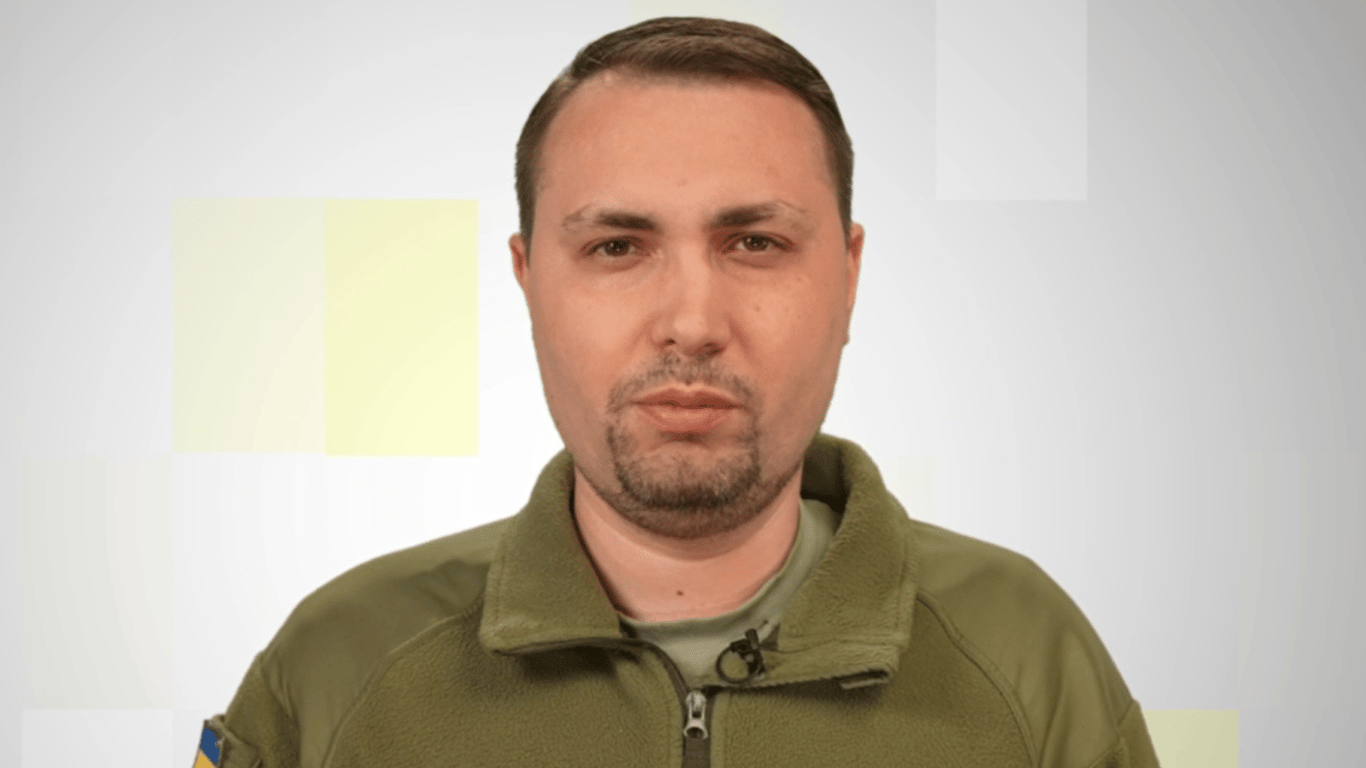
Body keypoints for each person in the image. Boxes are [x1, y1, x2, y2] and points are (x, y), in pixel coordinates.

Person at [198, 16, 1160, 768]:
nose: (692, 321)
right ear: (529, 283)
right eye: (618, 246)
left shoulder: (1029, 660)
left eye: (756, 242)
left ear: (850, 278)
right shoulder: (338, 670)